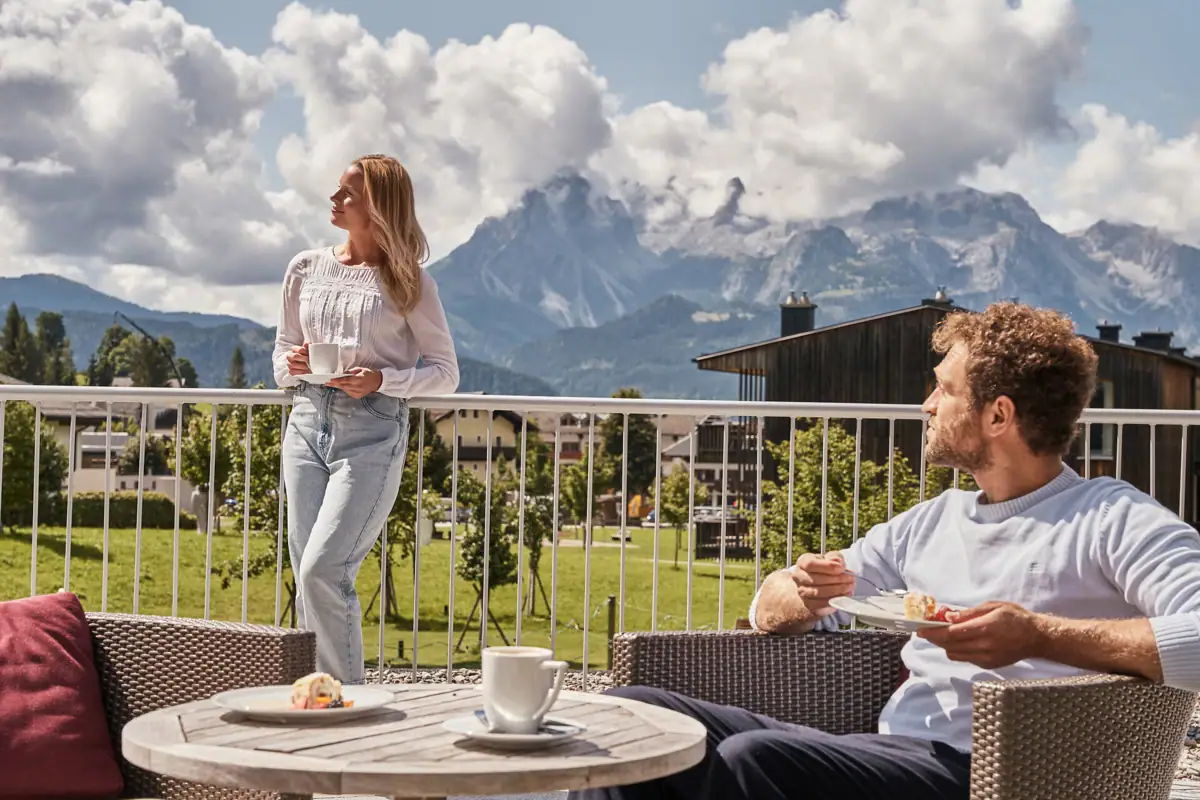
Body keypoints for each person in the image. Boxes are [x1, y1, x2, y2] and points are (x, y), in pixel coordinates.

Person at [570, 302, 1200, 800]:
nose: (926, 405)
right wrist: (799, 592)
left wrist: (1037, 636)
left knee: (753, 762)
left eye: (943, 390)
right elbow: (775, 605)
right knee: (635, 715)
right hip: (889, 750)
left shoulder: (1110, 518)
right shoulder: (930, 522)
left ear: (998, 415)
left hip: (991, 776)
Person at [272, 153, 459, 684]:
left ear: (379, 208)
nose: (335, 200)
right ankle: (318, 698)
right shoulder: (304, 268)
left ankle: (345, 706)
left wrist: (382, 381)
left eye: (348, 193)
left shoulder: (409, 282)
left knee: (323, 571)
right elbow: (281, 355)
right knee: (308, 578)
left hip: (372, 432)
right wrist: (297, 364)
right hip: (305, 423)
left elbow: (446, 373)